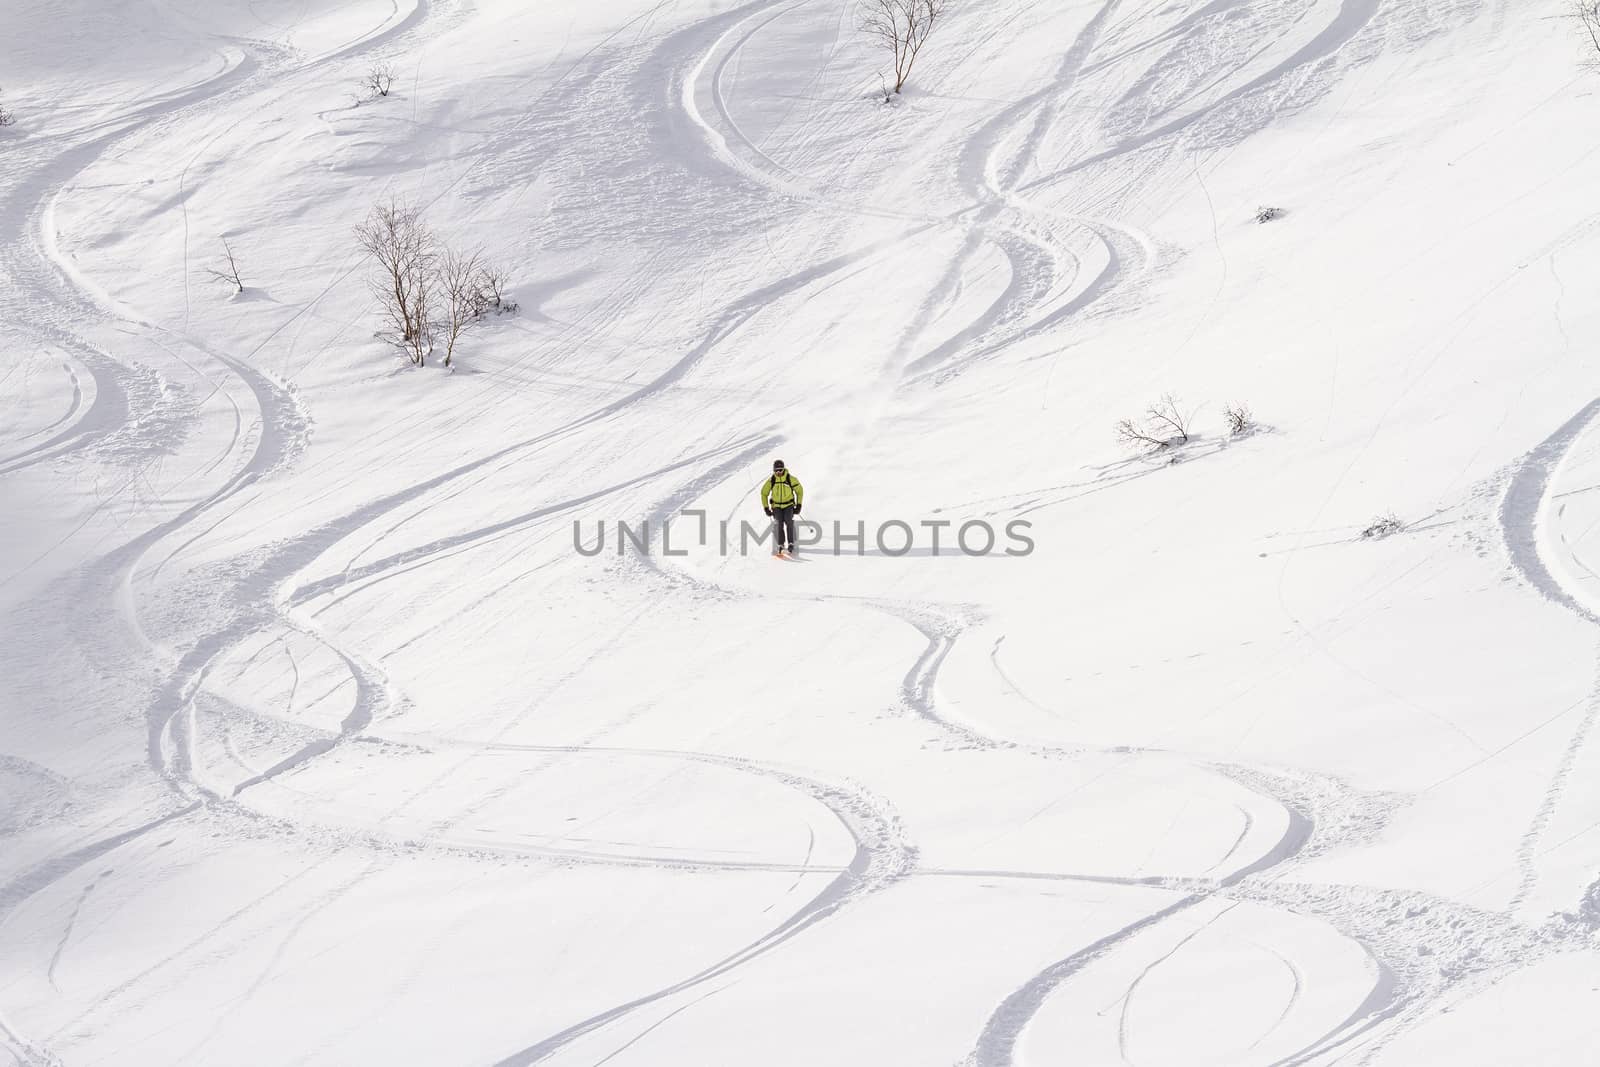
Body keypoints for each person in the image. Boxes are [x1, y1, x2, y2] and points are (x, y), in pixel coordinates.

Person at [760, 459, 804, 556]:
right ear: (774, 470)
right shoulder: (772, 480)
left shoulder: (790, 479)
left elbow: (799, 491)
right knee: (779, 524)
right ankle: (781, 544)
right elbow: (764, 493)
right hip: (776, 506)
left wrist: (799, 504)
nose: (778, 472)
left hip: (788, 505)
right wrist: (766, 507)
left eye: (780, 470)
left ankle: (791, 543)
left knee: (789, 521)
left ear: (783, 469)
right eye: (776, 470)